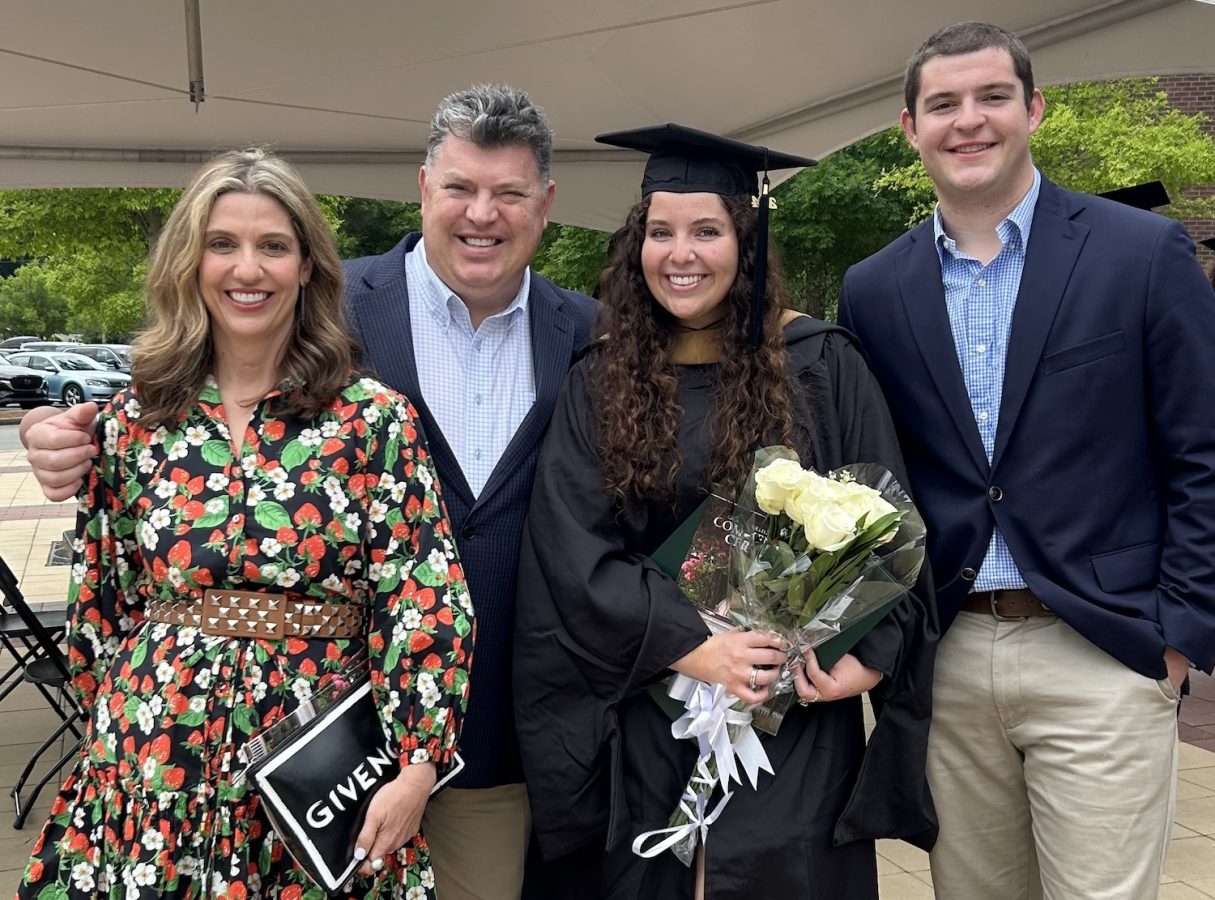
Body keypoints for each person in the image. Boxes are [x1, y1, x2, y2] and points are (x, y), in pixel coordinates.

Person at [20, 84, 597, 900]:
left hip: (351, 760)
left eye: (507, 193)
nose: (248, 269)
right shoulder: (137, 421)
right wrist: (125, 718)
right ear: (424, 187)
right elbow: (104, 601)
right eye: (221, 244)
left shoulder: (376, 413)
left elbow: (425, 595)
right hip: (158, 766)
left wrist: (418, 752)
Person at [837, 22, 1215, 900]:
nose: (968, 122)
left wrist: (1178, 635)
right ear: (909, 127)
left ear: (1033, 109)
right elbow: (870, 477)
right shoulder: (874, 288)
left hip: (1102, 650)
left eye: (991, 97)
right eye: (942, 105)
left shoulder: (1139, 253)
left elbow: (1200, 451)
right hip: (951, 656)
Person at [515, 124, 937, 900]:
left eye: (706, 230)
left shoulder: (819, 363)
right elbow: (571, 548)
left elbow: (889, 523)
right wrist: (693, 649)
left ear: (744, 240)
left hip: (795, 713)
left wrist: (864, 659)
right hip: (654, 697)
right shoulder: (602, 379)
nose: (681, 254)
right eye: (660, 232)